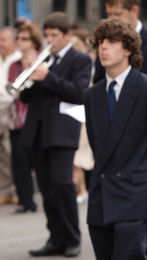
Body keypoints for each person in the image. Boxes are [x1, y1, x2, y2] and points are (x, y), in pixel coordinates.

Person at [84, 17, 147, 260]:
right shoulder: (92, 95)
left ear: (128, 48)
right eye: (100, 42)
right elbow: (99, 146)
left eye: (112, 41)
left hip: (137, 194)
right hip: (101, 197)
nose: (103, 47)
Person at [20, 12, 92, 257]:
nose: (49, 40)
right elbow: (25, 97)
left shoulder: (80, 60)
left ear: (68, 35)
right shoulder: (44, 59)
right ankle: (55, 237)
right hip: (38, 130)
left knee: (62, 185)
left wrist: (47, 76)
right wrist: (29, 77)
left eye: (54, 35)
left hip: (62, 131)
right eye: (47, 35)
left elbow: (78, 92)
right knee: (47, 188)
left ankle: (73, 238)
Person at [94, 0, 147, 103]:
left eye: (118, 14)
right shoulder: (104, 44)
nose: (112, 19)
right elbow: (99, 82)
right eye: (109, 14)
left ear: (134, 11)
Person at [7, 22, 42, 213]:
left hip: (35, 119)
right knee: (19, 163)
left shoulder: (41, 61)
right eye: (18, 38)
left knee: (38, 162)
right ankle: (25, 200)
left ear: (33, 40)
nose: (19, 41)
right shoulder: (14, 64)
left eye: (24, 38)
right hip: (17, 119)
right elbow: (13, 88)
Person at [0, 26, 21, 205]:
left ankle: (14, 190)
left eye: (4, 40)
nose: (1, 43)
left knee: (9, 151)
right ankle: (5, 190)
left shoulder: (18, 60)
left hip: (10, 107)